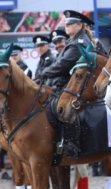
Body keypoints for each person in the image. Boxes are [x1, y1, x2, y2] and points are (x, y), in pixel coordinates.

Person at [41, 10, 101, 158]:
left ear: (80, 25)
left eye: (70, 23)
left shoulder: (79, 43)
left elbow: (62, 65)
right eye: (65, 23)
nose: (66, 26)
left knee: (60, 106)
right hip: (69, 82)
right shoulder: (73, 41)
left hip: (78, 85)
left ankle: (70, 142)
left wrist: (44, 73)